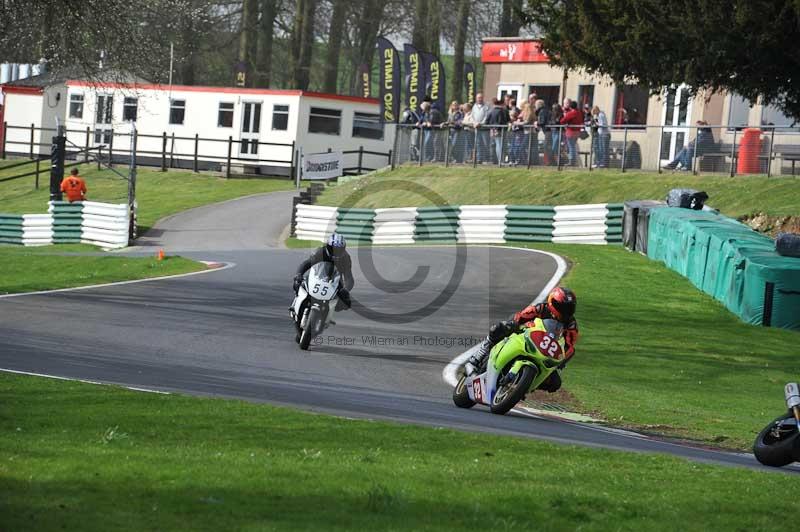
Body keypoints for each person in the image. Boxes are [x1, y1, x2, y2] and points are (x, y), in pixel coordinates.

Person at [465, 287, 579, 393]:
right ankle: (477, 357)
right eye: (562, 307)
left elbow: (569, 346)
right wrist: (515, 324)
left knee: (555, 383)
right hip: (525, 336)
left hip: (545, 353)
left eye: (569, 308)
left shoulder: (571, 325)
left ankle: (524, 385)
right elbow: (521, 316)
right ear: (552, 302)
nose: (565, 311)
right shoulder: (541, 308)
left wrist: (561, 361)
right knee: (499, 328)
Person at [293, 232, 354, 311]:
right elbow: (306, 264)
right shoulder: (320, 252)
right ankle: (296, 302)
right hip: (317, 276)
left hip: (335, 280)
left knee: (346, 302)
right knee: (298, 283)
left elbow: (349, 277)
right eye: (333, 249)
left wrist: (345, 289)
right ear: (328, 247)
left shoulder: (346, 258)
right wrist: (299, 274)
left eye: (339, 250)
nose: (336, 252)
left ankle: (327, 316)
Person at [486, 97, 509, 164]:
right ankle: (501, 160)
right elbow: (507, 120)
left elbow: (487, 121)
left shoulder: (491, 111)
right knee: (501, 145)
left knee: (496, 145)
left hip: (493, 130)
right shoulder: (504, 111)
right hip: (501, 129)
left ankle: (495, 159)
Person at [560, 101, 584, 166]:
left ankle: (572, 161)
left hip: (571, 132)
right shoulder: (579, 112)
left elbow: (562, 121)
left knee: (571, 147)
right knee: (573, 146)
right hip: (577, 132)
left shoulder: (571, 113)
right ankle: (573, 161)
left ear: (571, 106)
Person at [471, 93, 490, 163]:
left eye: (481, 98)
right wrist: (474, 123)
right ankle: (479, 158)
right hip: (477, 128)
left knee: (485, 143)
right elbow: (472, 116)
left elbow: (486, 116)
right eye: (478, 98)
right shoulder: (474, 106)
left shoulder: (486, 106)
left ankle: (486, 159)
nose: (479, 99)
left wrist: (481, 123)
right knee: (478, 143)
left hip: (484, 128)